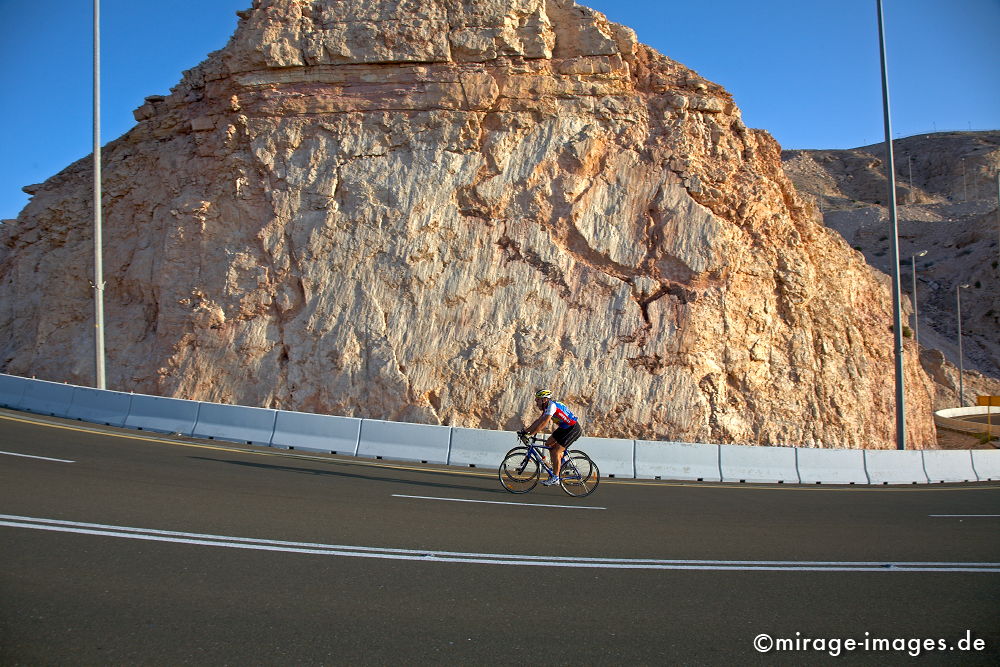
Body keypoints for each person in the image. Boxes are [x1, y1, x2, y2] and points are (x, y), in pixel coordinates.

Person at [519, 389, 583, 486]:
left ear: (544, 400)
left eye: (538, 399)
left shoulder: (552, 406)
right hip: (565, 428)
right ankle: (564, 462)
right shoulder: (547, 407)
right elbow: (539, 421)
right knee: (548, 443)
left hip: (572, 429)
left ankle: (556, 478)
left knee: (556, 451)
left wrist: (530, 434)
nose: (536, 402)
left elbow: (544, 423)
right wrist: (526, 431)